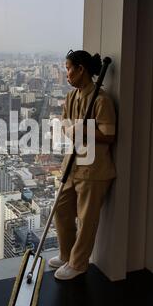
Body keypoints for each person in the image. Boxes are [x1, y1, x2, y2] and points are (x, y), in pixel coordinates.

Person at [49, 50, 117, 280]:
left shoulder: (101, 99)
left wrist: (84, 131)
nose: (66, 74)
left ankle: (78, 264)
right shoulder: (71, 97)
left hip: (94, 168)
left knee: (87, 219)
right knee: (61, 209)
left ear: (81, 69)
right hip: (72, 164)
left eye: (69, 68)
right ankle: (66, 254)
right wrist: (73, 130)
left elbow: (109, 134)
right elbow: (66, 126)